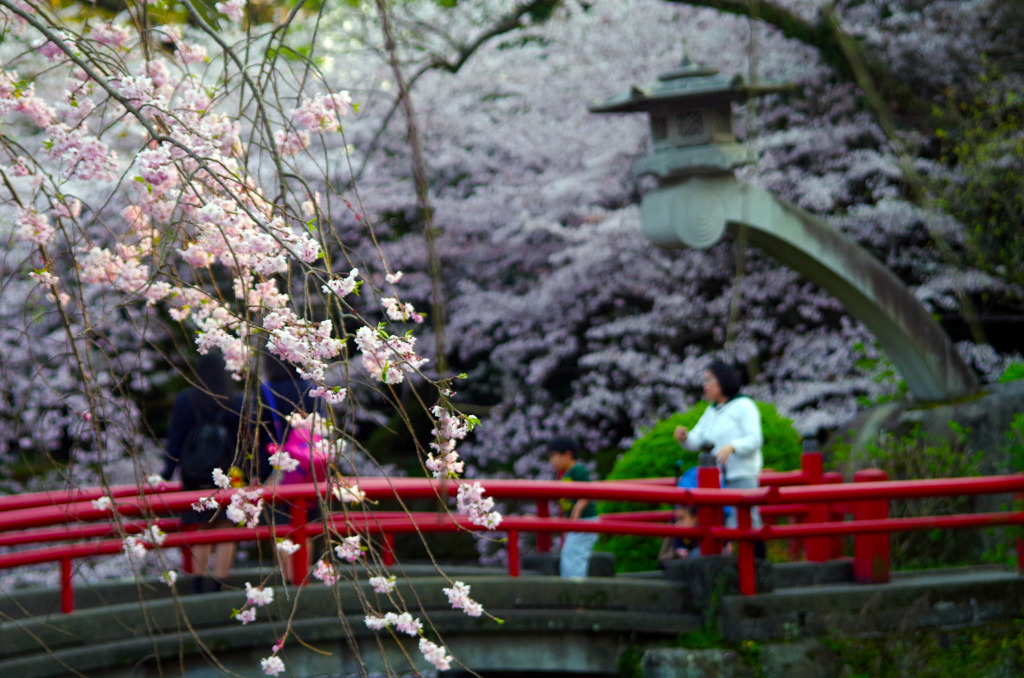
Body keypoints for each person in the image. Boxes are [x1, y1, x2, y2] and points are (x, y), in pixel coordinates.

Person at [158, 352, 240, 593]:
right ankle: (219, 583)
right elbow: (243, 442)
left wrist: (165, 474)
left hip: (194, 474)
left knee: (201, 527)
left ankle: (197, 583)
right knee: (225, 525)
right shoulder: (236, 400)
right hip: (226, 474)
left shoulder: (186, 400)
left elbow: (176, 440)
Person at [673, 361, 763, 537]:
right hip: (718, 479)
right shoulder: (712, 411)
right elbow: (697, 440)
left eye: (708, 380)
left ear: (722, 380)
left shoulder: (744, 405)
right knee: (723, 528)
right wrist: (685, 438)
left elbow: (754, 439)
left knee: (748, 523)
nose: (704, 385)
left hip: (740, 475)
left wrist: (733, 447)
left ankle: (757, 563)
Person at [547, 437, 599, 578]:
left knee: (574, 554)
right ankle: (573, 585)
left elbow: (587, 492)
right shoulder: (563, 475)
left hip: (584, 520)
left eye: (554, 456)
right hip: (577, 522)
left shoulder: (578, 470)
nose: (552, 461)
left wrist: (576, 511)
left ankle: (576, 587)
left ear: (567, 455)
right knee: (570, 553)